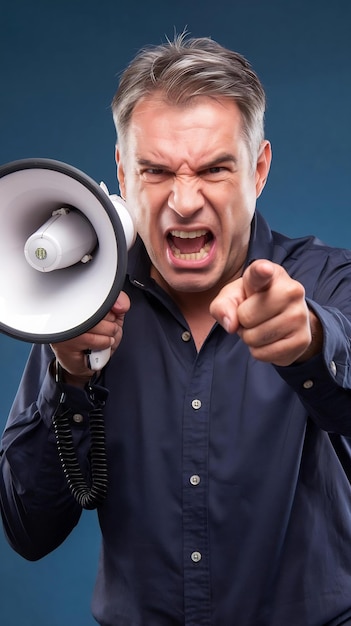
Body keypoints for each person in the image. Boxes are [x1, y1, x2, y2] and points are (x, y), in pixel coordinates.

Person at [1, 33, 351, 626]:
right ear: (121, 172)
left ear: (259, 169)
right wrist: (70, 379)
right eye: (156, 171)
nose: (184, 202)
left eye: (215, 169)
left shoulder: (326, 280)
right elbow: (28, 528)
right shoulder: (78, 308)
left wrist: (313, 342)